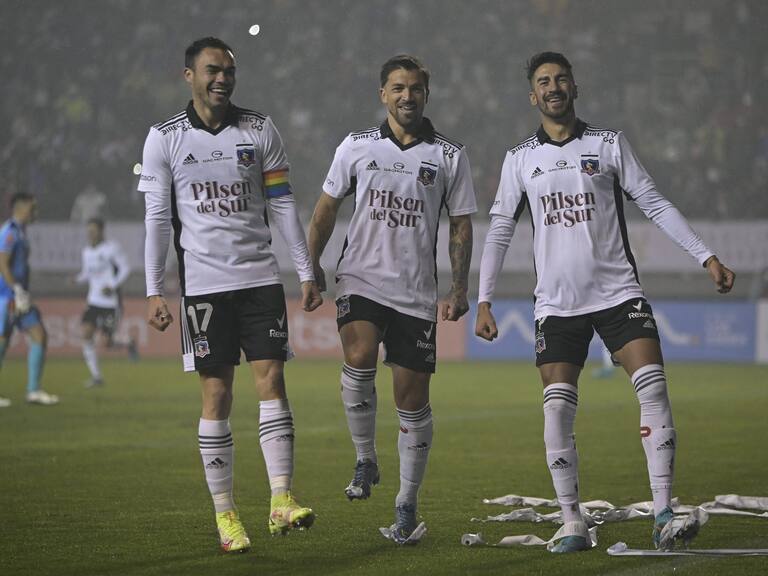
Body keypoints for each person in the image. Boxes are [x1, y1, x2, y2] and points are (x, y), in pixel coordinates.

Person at [475, 52, 735, 553]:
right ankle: (572, 521)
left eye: (561, 79)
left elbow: (654, 202)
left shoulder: (608, 144)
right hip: (557, 303)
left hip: (618, 293)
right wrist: (484, 299)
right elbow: (501, 229)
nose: (553, 87)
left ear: (575, 87)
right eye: (543, 81)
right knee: (557, 409)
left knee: (654, 388)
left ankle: (663, 513)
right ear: (533, 96)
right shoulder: (519, 159)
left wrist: (706, 256)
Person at [138, 37, 322, 554]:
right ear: (189, 76)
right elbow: (157, 219)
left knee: (273, 379)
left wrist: (305, 270)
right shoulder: (164, 138)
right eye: (212, 70)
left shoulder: (259, 129)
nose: (222, 79)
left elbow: (282, 203)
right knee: (217, 395)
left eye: (229, 71)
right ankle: (226, 515)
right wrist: (153, 290)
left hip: (260, 279)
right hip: (204, 287)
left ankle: (281, 498)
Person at [307, 55, 476, 545]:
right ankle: (365, 458)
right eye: (398, 88)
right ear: (383, 94)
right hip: (360, 279)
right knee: (359, 354)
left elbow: (461, 224)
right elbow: (325, 209)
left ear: (426, 95)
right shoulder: (356, 146)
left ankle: (406, 504)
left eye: (415, 88)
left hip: (416, 293)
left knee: (412, 401)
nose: (407, 96)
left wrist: (459, 288)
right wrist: (310, 265)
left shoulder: (448, 155)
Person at [0, 193, 58, 407]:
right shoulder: (9, 232)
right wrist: (16, 289)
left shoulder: (20, 232)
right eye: (33, 208)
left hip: (20, 297)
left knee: (39, 335)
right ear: (21, 207)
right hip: (7, 297)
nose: (36, 212)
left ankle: (33, 390)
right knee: (3, 341)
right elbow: (2, 263)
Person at [74, 217, 138, 388]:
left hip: (110, 303)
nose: (91, 234)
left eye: (94, 230)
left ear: (102, 231)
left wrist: (112, 285)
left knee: (107, 343)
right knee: (86, 334)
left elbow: (125, 268)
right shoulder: (87, 252)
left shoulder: (112, 248)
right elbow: (87, 273)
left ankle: (129, 343)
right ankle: (96, 377)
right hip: (93, 301)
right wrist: (77, 279)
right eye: (89, 231)